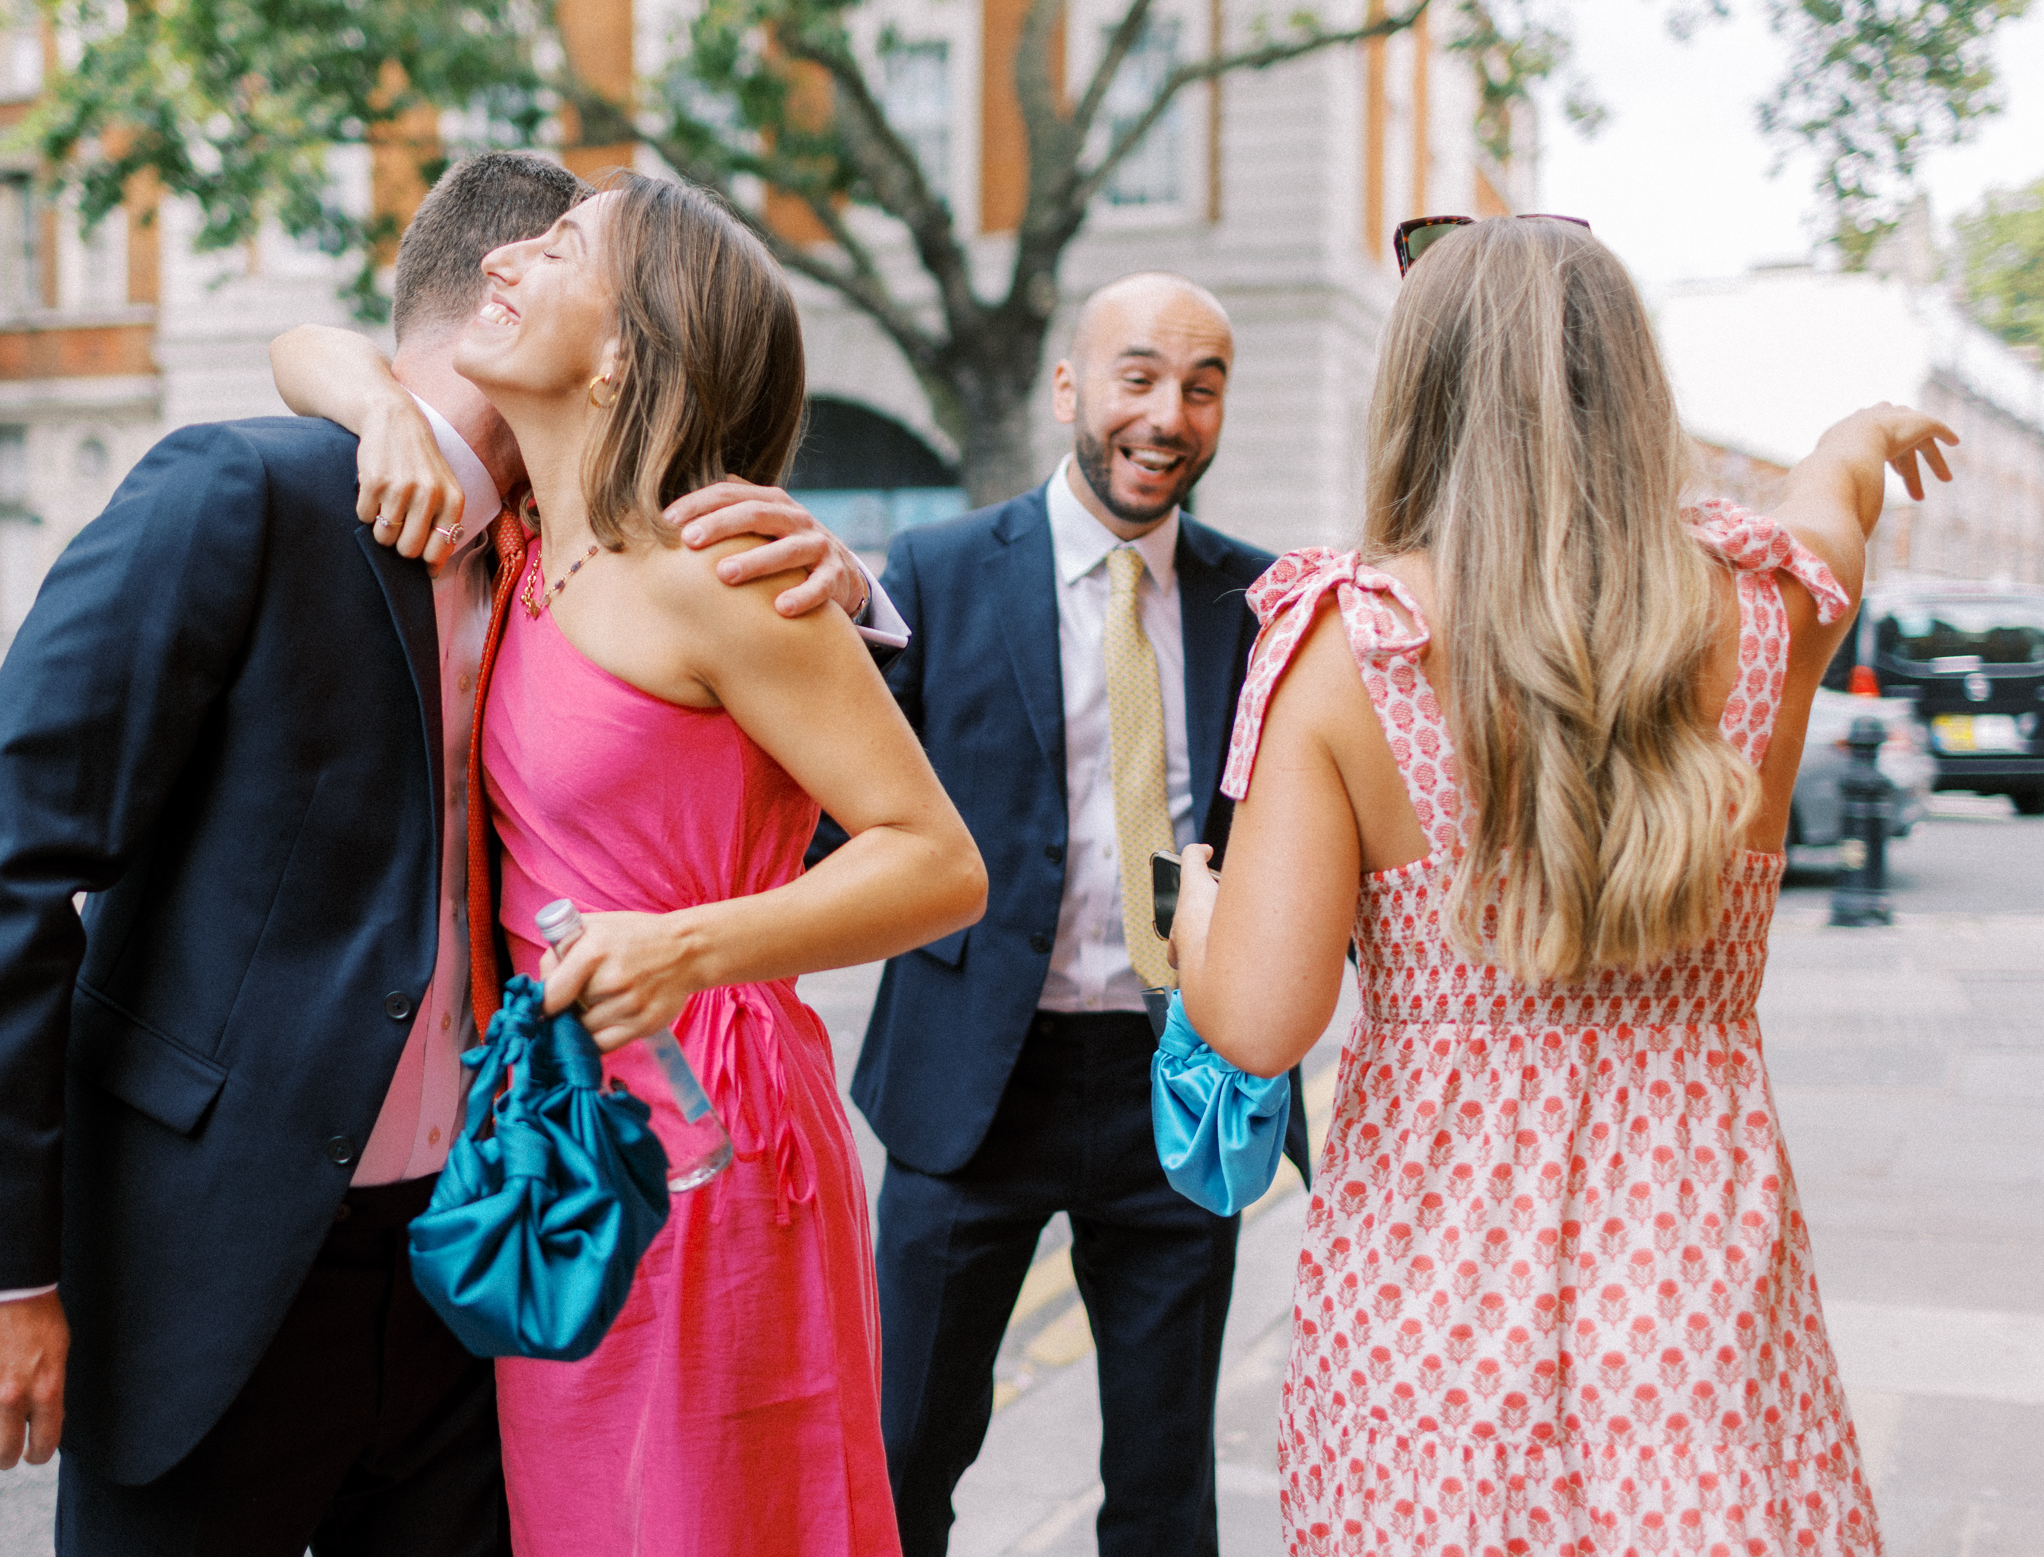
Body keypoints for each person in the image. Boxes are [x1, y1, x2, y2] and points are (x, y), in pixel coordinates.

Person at [0, 151, 899, 1557]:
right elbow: (2, 864)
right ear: (477, 291)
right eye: (533, 250)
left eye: (568, 255)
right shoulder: (243, 495)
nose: (528, 271)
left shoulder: (588, 558)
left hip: (481, 1262)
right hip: (222, 1259)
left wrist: (850, 593)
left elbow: (814, 818)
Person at [1166, 214, 1957, 1552]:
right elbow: (1830, 496)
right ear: (1630, 388)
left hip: (1430, 1286)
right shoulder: (1770, 606)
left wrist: (1195, 907)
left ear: (1415, 393)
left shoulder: (1347, 647)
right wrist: (1862, 434)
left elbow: (1255, 1023)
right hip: (1690, 1262)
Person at [272, 172, 987, 1557]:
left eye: (560, 247)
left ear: (623, 348)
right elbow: (301, 346)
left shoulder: (721, 571)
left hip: (706, 1124)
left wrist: (685, 946)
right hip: (554, 1128)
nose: (511, 261)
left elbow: (938, 864)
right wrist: (375, 410)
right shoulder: (527, 542)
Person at [830, 271, 1305, 1557]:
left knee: (1162, 1488)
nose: (1168, 415)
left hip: (1177, 1085)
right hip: (970, 1086)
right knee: (903, 1453)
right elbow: (839, 816)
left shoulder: (1261, 602)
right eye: (1139, 376)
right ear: (1068, 391)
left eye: (1202, 388)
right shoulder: (927, 574)